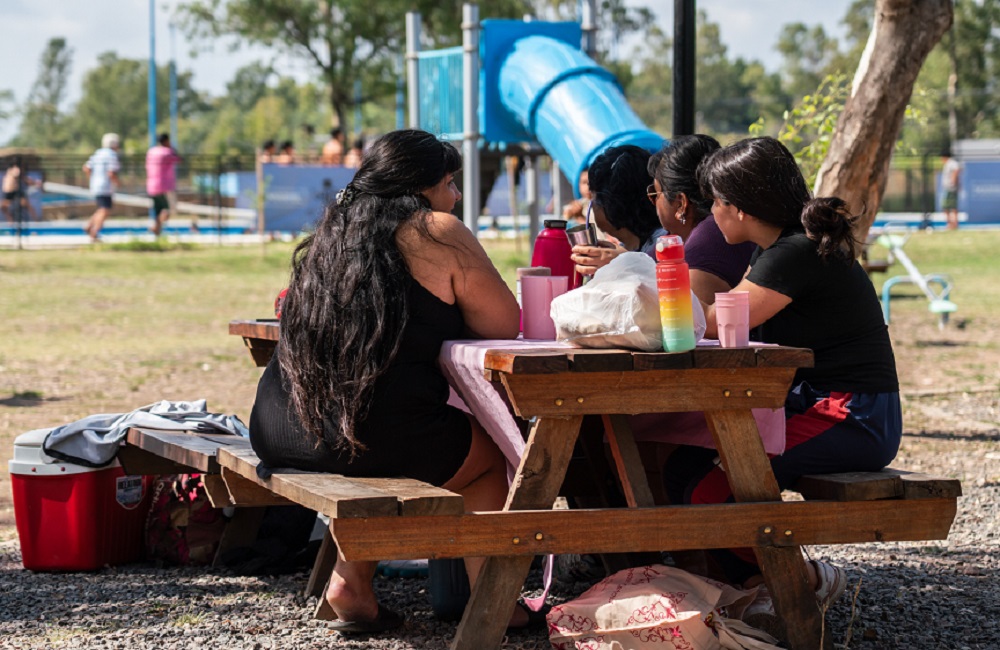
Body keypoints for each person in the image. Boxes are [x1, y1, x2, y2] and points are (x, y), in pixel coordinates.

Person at [248, 129, 542, 633]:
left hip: (280, 424)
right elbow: (501, 324)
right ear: (420, 188)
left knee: (372, 436)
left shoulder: (333, 230)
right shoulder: (435, 230)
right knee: (487, 463)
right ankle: (497, 604)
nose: (455, 196)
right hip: (354, 434)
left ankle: (352, 584)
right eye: (449, 183)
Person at [664, 136, 900, 634]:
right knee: (684, 465)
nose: (711, 218)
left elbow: (709, 321)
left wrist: (651, 276)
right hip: (820, 405)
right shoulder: (783, 247)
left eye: (716, 205)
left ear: (739, 207)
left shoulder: (792, 254)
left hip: (852, 414)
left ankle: (803, 581)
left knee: (711, 489)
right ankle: (754, 585)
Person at [646, 135, 757, 304]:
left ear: (681, 203)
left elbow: (694, 326)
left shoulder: (709, 238)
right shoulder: (681, 235)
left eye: (654, 194)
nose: (652, 202)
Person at [569, 144, 667, 276]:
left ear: (610, 203)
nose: (592, 206)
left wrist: (623, 263)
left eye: (595, 198)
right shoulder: (634, 244)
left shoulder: (663, 246)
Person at [83, 133, 121, 242]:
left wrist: (92, 179)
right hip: (105, 186)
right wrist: (118, 183)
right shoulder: (112, 155)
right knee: (105, 210)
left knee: (101, 208)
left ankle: (89, 225)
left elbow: (86, 168)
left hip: (95, 185)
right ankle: (94, 232)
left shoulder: (97, 153)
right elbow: (111, 173)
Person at [146, 133, 184, 236]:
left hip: (151, 185)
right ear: (167, 141)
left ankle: (157, 232)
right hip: (164, 186)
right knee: (166, 211)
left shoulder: (151, 151)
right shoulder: (167, 152)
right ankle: (155, 227)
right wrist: (171, 148)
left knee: (158, 211)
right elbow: (179, 159)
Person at [941, 149, 962, 230]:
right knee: (948, 206)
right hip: (948, 188)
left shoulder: (951, 163)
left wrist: (953, 181)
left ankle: (953, 224)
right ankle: (951, 223)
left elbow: (956, 170)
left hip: (950, 188)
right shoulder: (948, 164)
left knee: (949, 206)